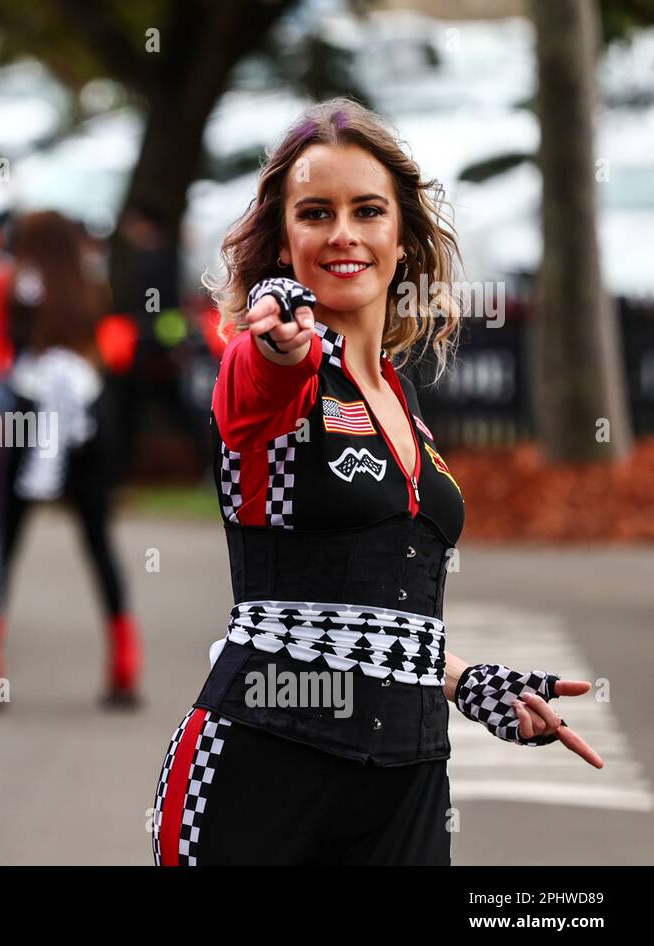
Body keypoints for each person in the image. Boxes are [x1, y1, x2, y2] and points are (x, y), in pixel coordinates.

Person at [151, 99, 603, 866]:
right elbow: (260, 379)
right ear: (284, 239)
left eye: (367, 211)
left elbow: (371, 596)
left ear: (401, 236)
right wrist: (281, 338)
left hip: (408, 780)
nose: (343, 235)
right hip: (264, 765)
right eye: (315, 214)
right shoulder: (272, 366)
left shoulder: (399, 394)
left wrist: (464, 682)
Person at [0, 211, 142, 708]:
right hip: (89, 413)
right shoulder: (91, 283)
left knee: (3, 539)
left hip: (27, 409)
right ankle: (124, 667)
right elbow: (112, 352)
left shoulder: (7, 283)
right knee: (99, 541)